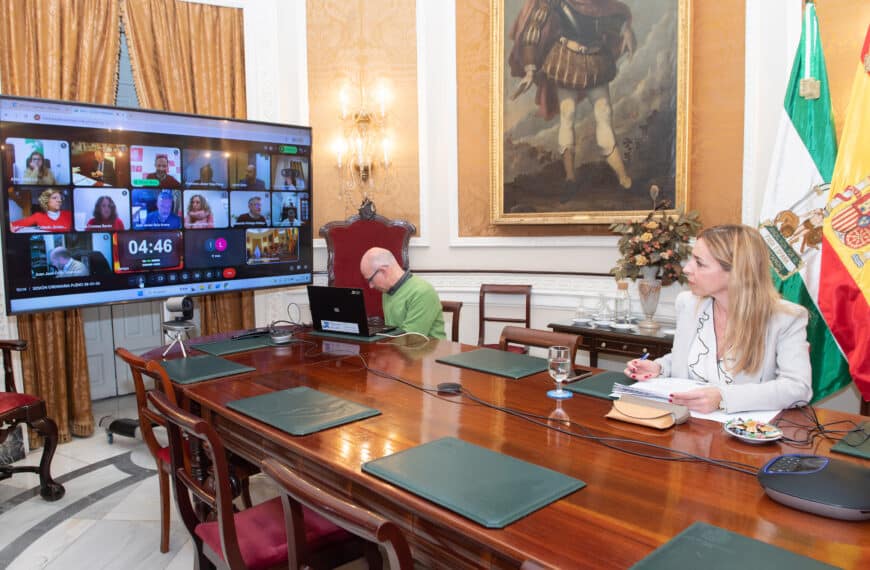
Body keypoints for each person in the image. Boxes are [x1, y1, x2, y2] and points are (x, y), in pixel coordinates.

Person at [624, 225, 813, 414]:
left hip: (741, 429)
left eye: (700, 263)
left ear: (737, 272)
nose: (687, 269)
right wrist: (659, 367)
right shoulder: (687, 304)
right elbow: (686, 359)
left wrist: (723, 398)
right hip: (684, 422)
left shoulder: (786, 318)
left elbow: (797, 388)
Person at [509, 0, 635, 195]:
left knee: (604, 115)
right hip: (567, 61)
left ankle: (623, 177)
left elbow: (615, 14)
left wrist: (626, 30)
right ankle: (570, 178)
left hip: (596, 61)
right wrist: (530, 69)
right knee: (567, 114)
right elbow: (533, 29)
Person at [359, 247, 446, 339]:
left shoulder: (422, 292)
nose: (371, 285)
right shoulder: (387, 291)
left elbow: (411, 339)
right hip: (398, 346)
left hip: (427, 348)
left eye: (370, 280)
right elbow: (391, 333)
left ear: (383, 271)